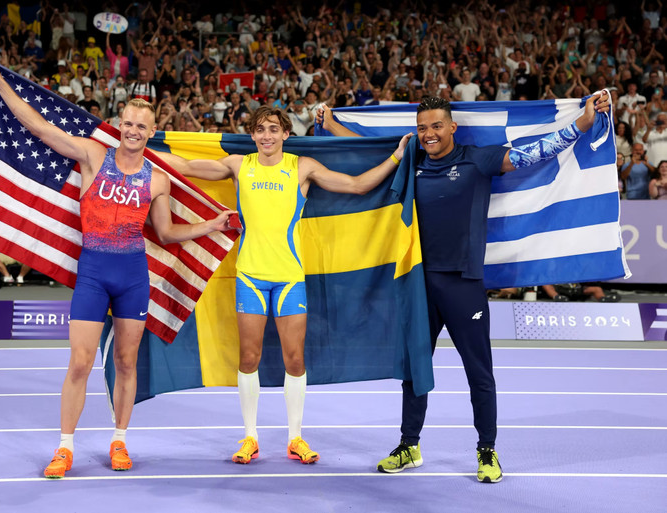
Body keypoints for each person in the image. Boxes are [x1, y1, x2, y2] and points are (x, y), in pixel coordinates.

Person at [318, 90, 611, 483]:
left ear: (453, 126)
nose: (429, 134)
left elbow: (533, 153)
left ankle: (487, 451)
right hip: (419, 283)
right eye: (422, 128)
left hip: (464, 283)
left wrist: (583, 124)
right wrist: (330, 123)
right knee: (414, 368)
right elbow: (367, 151)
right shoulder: (412, 159)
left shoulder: (478, 158)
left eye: (436, 126)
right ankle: (410, 445)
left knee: (479, 373)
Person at [0, 55, 237, 479]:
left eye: (142, 126)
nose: (133, 131)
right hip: (94, 273)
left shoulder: (158, 179)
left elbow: (166, 234)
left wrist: (211, 224)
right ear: (120, 123)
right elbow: (40, 127)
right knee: (79, 362)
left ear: (152, 133)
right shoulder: (94, 155)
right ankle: (64, 449)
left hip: (133, 275)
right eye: (128, 123)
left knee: (127, 362)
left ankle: (119, 440)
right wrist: (0, 82)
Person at [158, 105, 411, 466]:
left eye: (273, 129)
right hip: (250, 276)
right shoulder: (238, 165)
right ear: (252, 135)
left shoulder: (301, 166)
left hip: (290, 278)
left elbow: (355, 186)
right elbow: (182, 167)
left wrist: (396, 157)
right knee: (249, 358)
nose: (266, 136)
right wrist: (136, 146)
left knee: (295, 359)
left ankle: (295, 437)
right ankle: (250, 437)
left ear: (286, 134)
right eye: (260, 130)